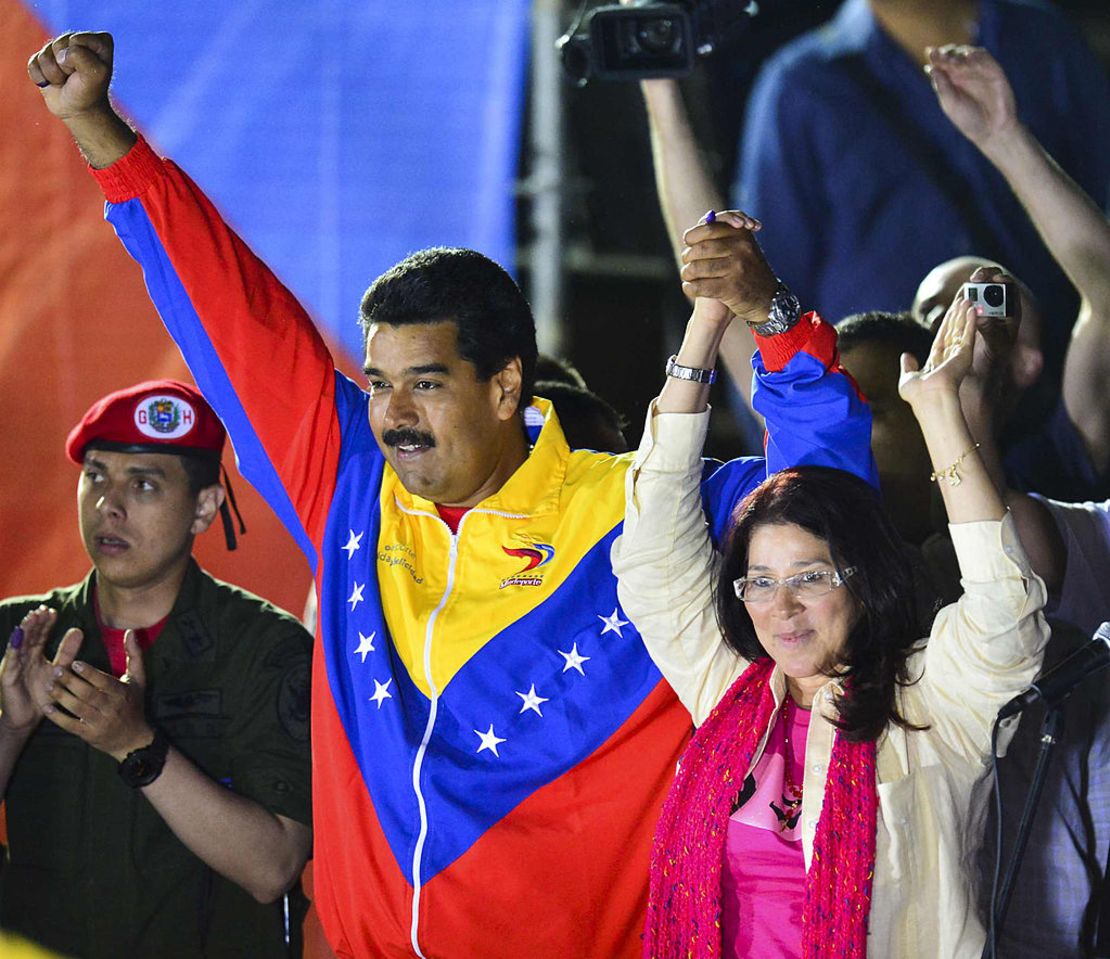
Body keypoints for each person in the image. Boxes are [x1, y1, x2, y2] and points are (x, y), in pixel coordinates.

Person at [27, 33, 876, 958]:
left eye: (425, 383)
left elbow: (829, 493)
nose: (390, 414)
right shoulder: (350, 481)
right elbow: (227, 306)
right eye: (379, 382)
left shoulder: (644, 512)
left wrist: (777, 321)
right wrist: (101, 131)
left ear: (505, 387)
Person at [614, 292, 1048, 955]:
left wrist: (938, 410)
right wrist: (705, 325)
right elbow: (651, 560)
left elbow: (1005, 607)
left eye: (810, 577)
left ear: (865, 579)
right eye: (761, 582)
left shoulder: (932, 703)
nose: (781, 608)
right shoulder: (732, 692)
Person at [0, 380, 313, 959]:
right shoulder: (18, 640)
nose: (107, 505)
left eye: (142, 483)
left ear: (204, 507)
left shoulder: (266, 649)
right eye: (95, 475)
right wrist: (12, 728)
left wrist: (136, 745)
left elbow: (273, 867)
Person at [928, 45, 1110, 956]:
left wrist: (1004, 137)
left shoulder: (1070, 453)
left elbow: (1107, 285)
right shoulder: (858, 483)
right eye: (936, 306)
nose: (961, 317)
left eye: (991, 300)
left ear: (1039, 355)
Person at [733, 0, 1110, 372]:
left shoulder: (1043, 41)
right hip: (884, 414)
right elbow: (769, 293)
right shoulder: (802, 86)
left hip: (1053, 391)